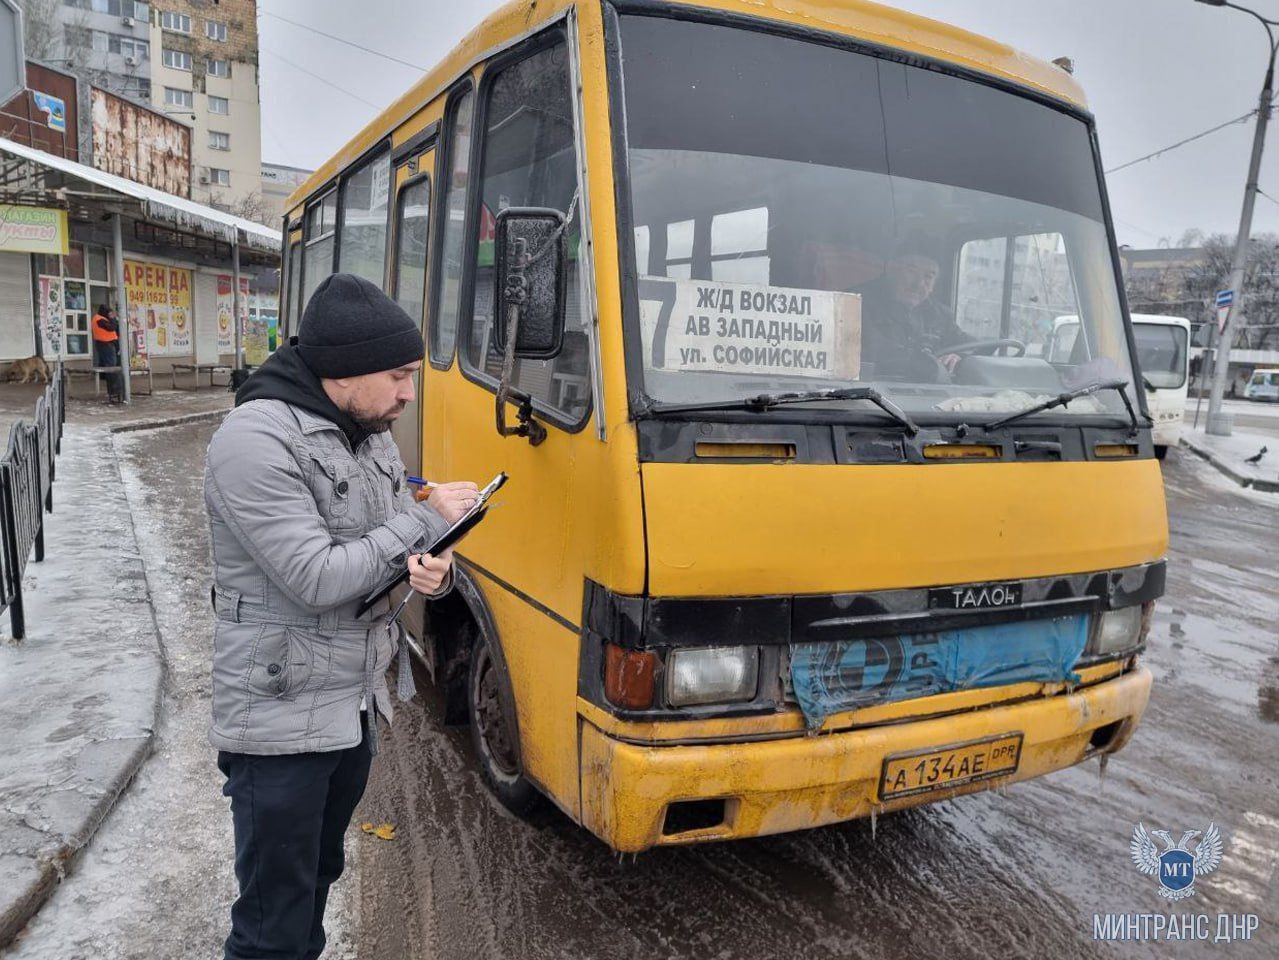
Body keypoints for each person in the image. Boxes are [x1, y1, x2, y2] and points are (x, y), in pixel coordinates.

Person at [204, 273, 480, 960]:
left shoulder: (366, 430)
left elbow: (388, 551)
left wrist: (432, 568)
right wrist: (421, 522)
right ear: (342, 369)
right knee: (273, 915)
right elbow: (318, 578)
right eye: (398, 375)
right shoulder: (253, 440)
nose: (408, 394)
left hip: (350, 708)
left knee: (318, 878)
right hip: (278, 719)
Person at [857, 244, 971, 382]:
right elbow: (874, 351)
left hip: (927, 393)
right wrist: (928, 363)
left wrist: (960, 355)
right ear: (891, 270)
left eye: (928, 277)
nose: (918, 284)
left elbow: (972, 345)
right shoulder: (857, 303)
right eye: (911, 272)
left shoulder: (940, 314)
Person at [90, 305, 123, 402]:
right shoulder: (99, 319)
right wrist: (113, 319)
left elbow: (116, 329)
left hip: (109, 344)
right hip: (105, 345)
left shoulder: (103, 318)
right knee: (111, 368)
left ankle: (114, 391)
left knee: (112, 367)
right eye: (109, 313)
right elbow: (112, 328)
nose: (111, 315)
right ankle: (114, 392)